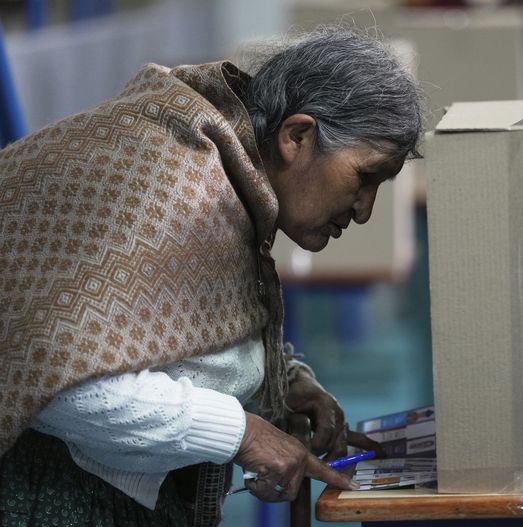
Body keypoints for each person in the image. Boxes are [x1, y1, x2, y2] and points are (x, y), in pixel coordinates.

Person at [0, 25, 423, 526]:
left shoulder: (226, 174)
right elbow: (58, 383)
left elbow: (162, 325)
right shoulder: (175, 187)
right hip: (57, 499)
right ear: (297, 136)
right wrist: (241, 433)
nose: (364, 211)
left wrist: (281, 382)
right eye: (365, 176)